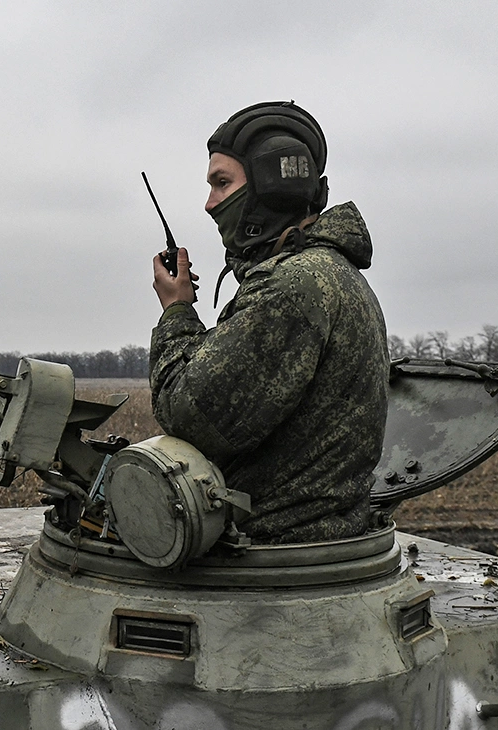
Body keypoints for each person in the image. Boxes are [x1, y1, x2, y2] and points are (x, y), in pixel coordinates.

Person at [149, 101, 388, 544]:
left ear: (271, 188)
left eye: (222, 183)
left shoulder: (291, 287)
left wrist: (176, 311)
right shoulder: (331, 272)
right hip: (320, 542)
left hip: (278, 551)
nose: (209, 204)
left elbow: (188, 416)